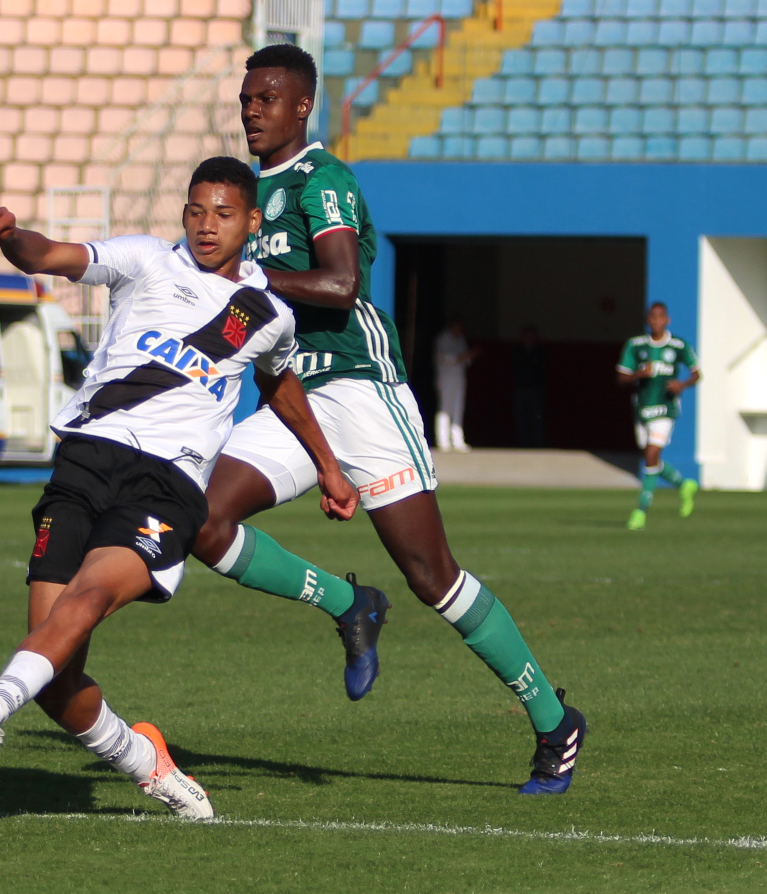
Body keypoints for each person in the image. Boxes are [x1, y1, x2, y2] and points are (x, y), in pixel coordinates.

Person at [190, 43, 587, 795]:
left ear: (302, 105)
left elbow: (342, 284)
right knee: (201, 519)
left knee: (432, 575)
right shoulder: (238, 196)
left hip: (361, 388)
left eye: (266, 98)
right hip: (291, 397)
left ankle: (553, 720)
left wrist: (249, 276)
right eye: (245, 99)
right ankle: (351, 604)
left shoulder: (323, 178)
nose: (251, 110)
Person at [0, 157, 359, 820]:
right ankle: (144, 761)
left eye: (223, 214)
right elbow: (48, 255)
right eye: (196, 211)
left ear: (252, 221)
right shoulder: (145, 260)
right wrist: (12, 235)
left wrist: (327, 466)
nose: (206, 225)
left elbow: (278, 383)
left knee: (89, 597)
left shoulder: (268, 314)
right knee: (56, 676)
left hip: (167, 483)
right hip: (84, 463)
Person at [617, 302, 700, 531]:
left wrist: (681, 385)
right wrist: (638, 374)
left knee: (652, 454)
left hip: (666, 408)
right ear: (647, 320)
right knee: (650, 458)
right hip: (643, 408)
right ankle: (683, 485)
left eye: (660, 317)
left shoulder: (678, 345)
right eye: (652, 317)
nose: (656, 321)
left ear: (667, 320)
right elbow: (621, 377)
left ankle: (641, 511)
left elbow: (696, 373)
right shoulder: (636, 345)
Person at [434, 319, 476, 452]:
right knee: (445, 409)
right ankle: (443, 440)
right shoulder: (443, 339)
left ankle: (457, 440)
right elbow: (447, 358)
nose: (459, 330)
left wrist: (468, 356)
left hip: (459, 378)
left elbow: (466, 360)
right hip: (446, 379)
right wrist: (465, 355)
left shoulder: (461, 339)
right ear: (452, 326)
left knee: (458, 408)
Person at [511, 323, 548, 448]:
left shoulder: (540, 351)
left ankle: (538, 445)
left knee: (537, 418)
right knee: (522, 418)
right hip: (521, 389)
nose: (528, 337)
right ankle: (524, 445)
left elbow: (542, 369)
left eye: (531, 335)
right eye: (526, 335)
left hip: (535, 389)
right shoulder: (517, 351)